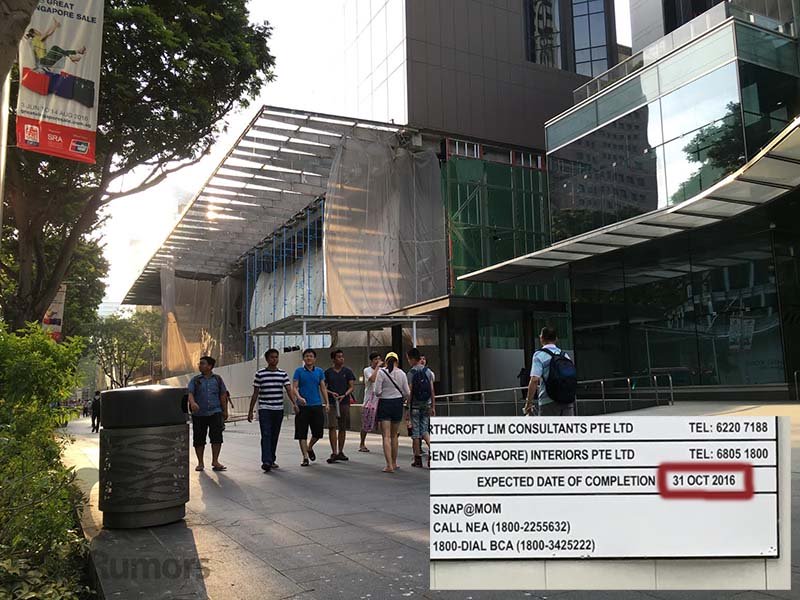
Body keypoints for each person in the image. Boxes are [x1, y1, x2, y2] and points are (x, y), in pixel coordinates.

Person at [248, 349, 296, 472]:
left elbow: (289, 389)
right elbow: (255, 394)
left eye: (276, 357)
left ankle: (272, 459)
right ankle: (266, 461)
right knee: (266, 434)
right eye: (272, 357)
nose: (274, 359)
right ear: (267, 359)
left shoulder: (282, 374)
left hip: (278, 409)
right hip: (265, 409)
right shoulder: (260, 374)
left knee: (274, 435)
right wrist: (250, 411)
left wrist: (294, 403)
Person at [187, 356, 230, 472]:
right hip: (199, 414)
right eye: (199, 363)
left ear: (210, 366)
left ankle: (215, 461)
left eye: (202, 363)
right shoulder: (195, 380)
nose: (199, 365)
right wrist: (193, 403)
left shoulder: (218, 379)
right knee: (199, 439)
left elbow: (223, 395)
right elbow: (190, 393)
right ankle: (200, 463)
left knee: (217, 438)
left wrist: (225, 411)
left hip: (215, 412)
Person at [525, 327, 577, 417]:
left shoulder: (539, 355)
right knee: (567, 430)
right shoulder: (564, 355)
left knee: (548, 430)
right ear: (556, 339)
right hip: (567, 399)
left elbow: (534, 380)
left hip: (548, 401)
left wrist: (528, 403)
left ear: (541, 338)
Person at [374, 352, 410, 473]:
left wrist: (385, 392)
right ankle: (394, 463)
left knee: (386, 436)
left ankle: (388, 465)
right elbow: (407, 392)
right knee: (394, 436)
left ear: (385, 361)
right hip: (397, 404)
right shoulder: (402, 373)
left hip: (385, 403)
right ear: (397, 361)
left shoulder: (381, 373)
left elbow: (377, 391)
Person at [292, 349, 329, 467]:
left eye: (311, 356)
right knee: (301, 433)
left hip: (316, 405)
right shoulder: (298, 371)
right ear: (303, 358)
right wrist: (299, 398)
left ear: (315, 359)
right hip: (303, 406)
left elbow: (323, 388)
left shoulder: (319, 371)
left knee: (318, 432)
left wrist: (327, 402)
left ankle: (309, 447)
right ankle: (305, 457)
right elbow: (294, 387)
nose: (309, 358)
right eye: (306, 356)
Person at [324, 349, 356, 463]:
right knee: (332, 426)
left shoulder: (347, 371)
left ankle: (341, 451)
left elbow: (352, 386)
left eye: (342, 356)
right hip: (332, 403)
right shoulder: (328, 372)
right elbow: (323, 387)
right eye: (338, 357)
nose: (341, 359)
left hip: (344, 402)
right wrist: (330, 394)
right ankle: (334, 451)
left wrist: (345, 394)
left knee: (342, 427)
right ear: (333, 359)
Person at [406, 348, 435, 468]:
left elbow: (410, 393)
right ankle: (434, 450)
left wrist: (408, 408)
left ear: (412, 359)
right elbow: (432, 390)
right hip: (427, 405)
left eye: (408, 359)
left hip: (415, 407)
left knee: (416, 433)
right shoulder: (428, 372)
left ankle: (417, 459)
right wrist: (433, 406)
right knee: (425, 430)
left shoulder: (411, 373)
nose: (408, 361)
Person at [359, 352, 382, 452]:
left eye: (379, 359)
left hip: (380, 399)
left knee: (383, 421)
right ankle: (362, 443)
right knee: (366, 422)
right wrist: (377, 368)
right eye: (376, 359)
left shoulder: (382, 371)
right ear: (371, 361)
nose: (378, 361)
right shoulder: (367, 370)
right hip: (369, 400)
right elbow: (372, 379)